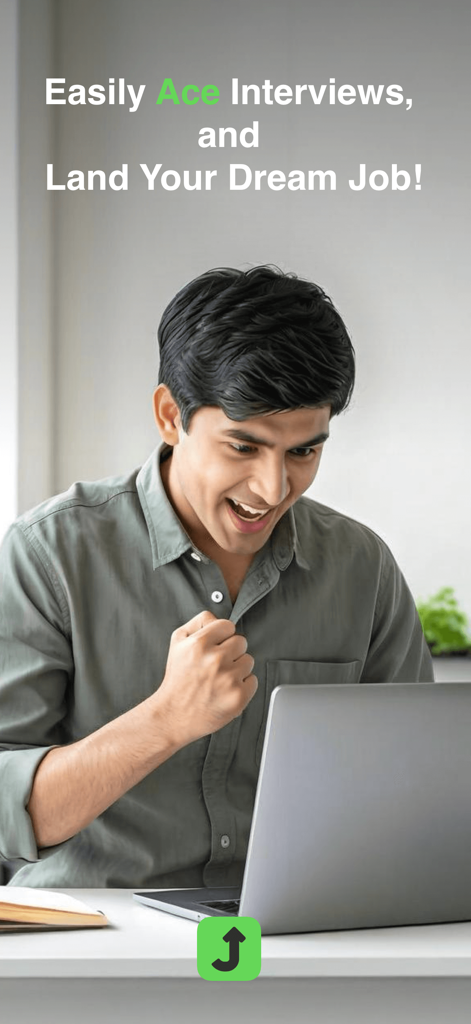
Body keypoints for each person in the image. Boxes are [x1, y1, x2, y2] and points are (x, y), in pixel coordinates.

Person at [0, 266, 433, 888]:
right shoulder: (48, 555)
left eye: (303, 451)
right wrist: (167, 719)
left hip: (302, 941)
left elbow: (420, 788)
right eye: (243, 447)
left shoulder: (362, 568)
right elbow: (12, 821)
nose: (273, 487)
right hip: (94, 944)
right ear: (171, 415)